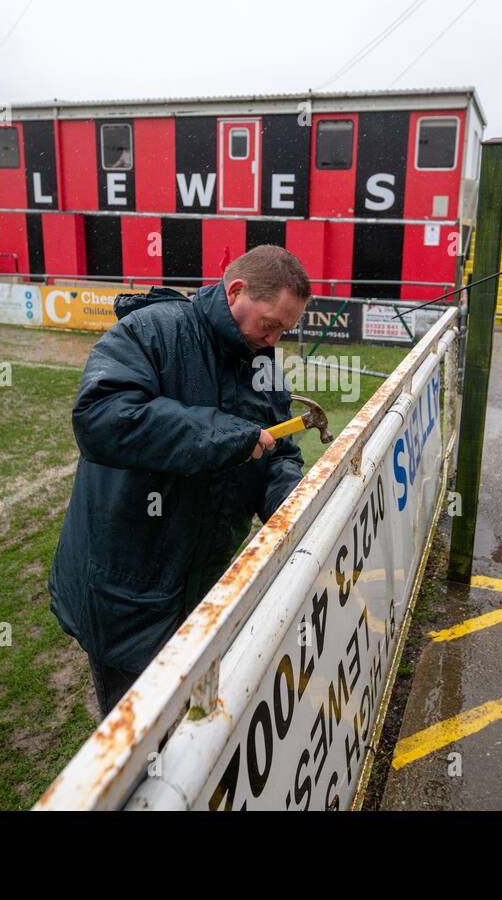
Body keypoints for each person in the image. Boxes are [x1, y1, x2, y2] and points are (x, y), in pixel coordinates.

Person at [47, 245, 311, 717]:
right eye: (269, 323)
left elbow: (278, 451)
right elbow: (100, 418)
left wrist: (291, 501)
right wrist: (227, 435)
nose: (272, 340)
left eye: (283, 331)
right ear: (236, 292)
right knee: (136, 740)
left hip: (204, 582)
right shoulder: (153, 331)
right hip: (128, 588)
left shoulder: (265, 363)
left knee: (193, 724)